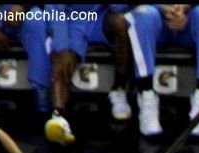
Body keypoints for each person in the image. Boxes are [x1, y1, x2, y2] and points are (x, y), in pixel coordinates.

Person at [128, 4, 199, 137]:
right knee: (143, 13)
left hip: (189, 19)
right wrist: (165, 8)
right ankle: (146, 96)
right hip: (157, 19)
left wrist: (184, 7)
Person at [44, 4, 133, 144]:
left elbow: (119, 8)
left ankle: (119, 89)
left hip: (99, 17)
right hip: (70, 20)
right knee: (62, 55)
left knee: (121, 22)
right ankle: (58, 116)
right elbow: (54, 10)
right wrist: (62, 46)